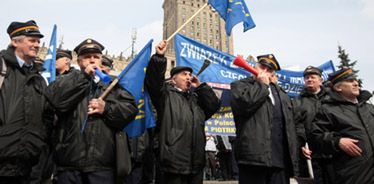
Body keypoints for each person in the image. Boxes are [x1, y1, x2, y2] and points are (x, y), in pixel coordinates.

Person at [45, 38, 138, 184]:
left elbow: (130, 110)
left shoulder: (112, 84)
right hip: (69, 163)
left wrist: (106, 108)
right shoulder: (66, 79)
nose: (92, 60)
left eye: (96, 57)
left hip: (102, 165)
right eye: (87, 57)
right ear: (79, 61)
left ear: (101, 60)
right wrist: (84, 77)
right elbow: (56, 100)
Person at [145, 40, 221, 184]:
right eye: (184, 74)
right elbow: (153, 81)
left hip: (196, 165)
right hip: (172, 164)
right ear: (173, 80)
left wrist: (200, 86)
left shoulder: (196, 100)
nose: (188, 77)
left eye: (190, 74)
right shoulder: (165, 96)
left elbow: (213, 106)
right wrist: (159, 57)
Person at [230, 54, 298, 184]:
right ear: (255, 66)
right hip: (253, 159)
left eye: (269, 70)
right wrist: (262, 86)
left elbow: (290, 124)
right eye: (262, 67)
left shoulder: (282, 93)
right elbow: (244, 105)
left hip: (280, 159)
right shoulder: (240, 85)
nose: (265, 71)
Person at [0, 20, 53, 183]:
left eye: (38, 41)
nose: (37, 45)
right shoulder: (2, 69)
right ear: (15, 42)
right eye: (32, 40)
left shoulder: (38, 79)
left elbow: (47, 117)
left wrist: (38, 143)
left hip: (27, 165)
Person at [311, 67, 374, 184]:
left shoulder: (369, 108)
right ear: (338, 87)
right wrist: (337, 141)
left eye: (355, 80)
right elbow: (316, 137)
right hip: (352, 174)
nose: (356, 83)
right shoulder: (328, 110)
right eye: (350, 81)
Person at [293, 66, 334, 183]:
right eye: (306, 78)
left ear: (320, 80)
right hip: (311, 152)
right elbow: (297, 125)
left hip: (333, 150)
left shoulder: (331, 98)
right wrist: (300, 146)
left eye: (313, 77)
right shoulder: (298, 101)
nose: (309, 79)